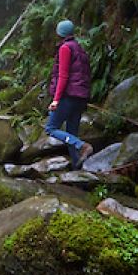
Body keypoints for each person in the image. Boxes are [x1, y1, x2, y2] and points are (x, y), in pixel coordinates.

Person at [45, 20, 93, 167]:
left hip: (68, 96)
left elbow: (63, 76)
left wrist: (56, 99)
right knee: (71, 133)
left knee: (51, 128)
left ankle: (82, 146)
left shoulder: (65, 48)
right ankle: (77, 168)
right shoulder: (79, 48)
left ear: (60, 33)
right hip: (80, 97)